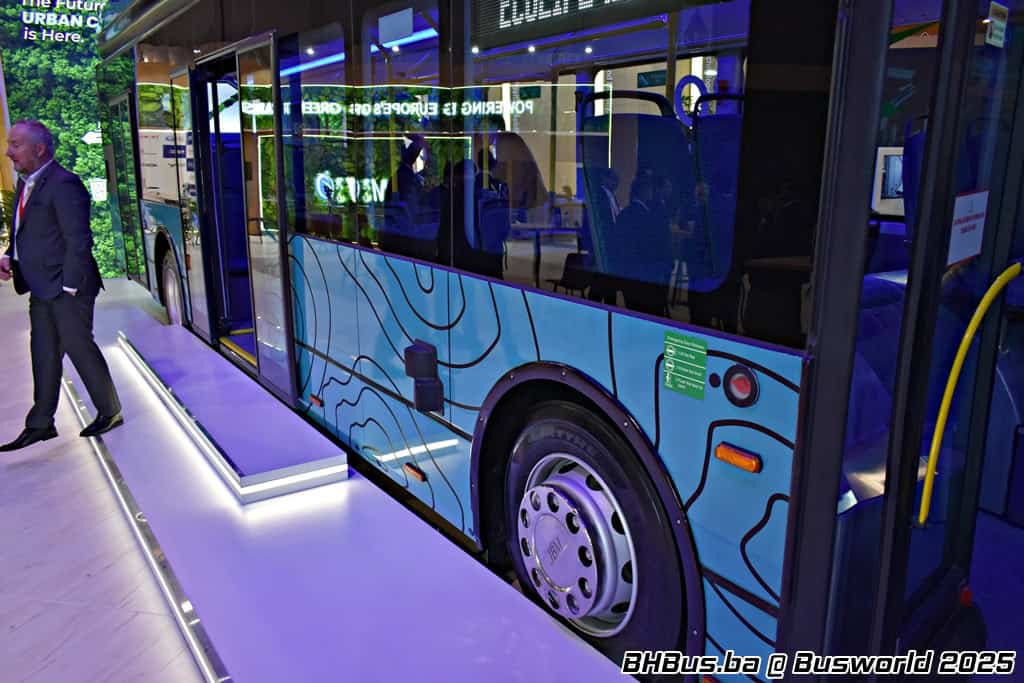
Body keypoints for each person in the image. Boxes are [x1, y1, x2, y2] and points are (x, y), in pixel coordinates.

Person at [0, 120, 123, 452]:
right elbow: (27, 231)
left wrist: (69, 286)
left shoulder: (65, 184)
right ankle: (41, 423)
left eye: (15, 145)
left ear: (39, 149)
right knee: (43, 352)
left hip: (68, 288)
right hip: (41, 286)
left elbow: (78, 240)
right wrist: (10, 255)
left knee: (79, 347)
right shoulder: (26, 183)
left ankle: (110, 411)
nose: (9, 152)